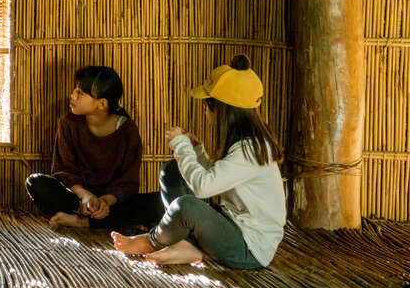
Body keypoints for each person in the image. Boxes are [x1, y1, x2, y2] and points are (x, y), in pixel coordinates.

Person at [112, 55, 286, 268]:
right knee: (173, 170)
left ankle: (151, 242)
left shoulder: (249, 150)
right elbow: (219, 177)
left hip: (248, 248)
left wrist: (182, 146)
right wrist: (197, 151)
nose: (204, 109)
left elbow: (204, 188)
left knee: (186, 206)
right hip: (231, 224)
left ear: (220, 108)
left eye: (207, 104)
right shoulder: (247, 144)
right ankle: (188, 246)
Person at [25, 66, 162, 230]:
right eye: (75, 90)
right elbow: (63, 171)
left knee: (161, 202)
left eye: (80, 93)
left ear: (102, 104)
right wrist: (85, 196)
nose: (72, 95)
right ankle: (103, 219)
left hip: (113, 202)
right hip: (77, 198)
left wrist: (105, 201)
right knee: (35, 183)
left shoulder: (127, 130)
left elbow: (128, 182)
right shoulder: (67, 123)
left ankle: (81, 222)